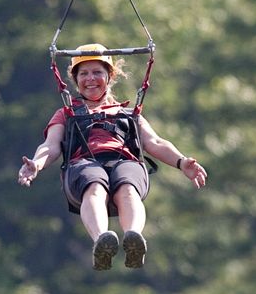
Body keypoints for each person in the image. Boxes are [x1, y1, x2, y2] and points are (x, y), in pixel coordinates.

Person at [17, 43, 207, 269]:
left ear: (109, 76)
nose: (90, 79)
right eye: (84, 74)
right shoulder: (66, 114)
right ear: (75, 80)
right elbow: (51, 145)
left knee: (127, 187)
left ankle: (134, 238)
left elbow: (154, 142)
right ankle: (101, 241)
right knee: (94, 186)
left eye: (97, 72)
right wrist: (37, 164)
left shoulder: (127, 114)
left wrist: (181, 161)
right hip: (84, 163)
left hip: (123, 160)